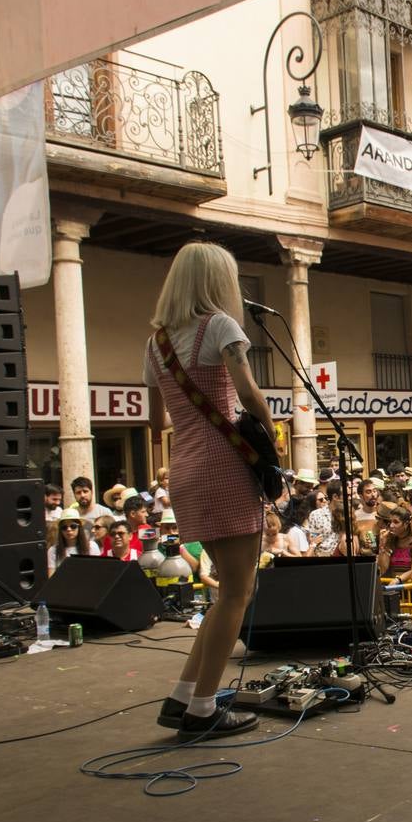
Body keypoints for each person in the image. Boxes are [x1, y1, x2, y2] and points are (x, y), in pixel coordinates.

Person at [143, 243, 272, 738]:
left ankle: (181, 697)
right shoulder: (219, 325)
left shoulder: (155, 343)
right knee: (239, 591)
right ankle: (202, 709)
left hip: (186, 469)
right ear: (219, 280)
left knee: (226, 592)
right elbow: (245, 391)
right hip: (223, 466)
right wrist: (270, 430)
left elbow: (157, 422)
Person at [376, 505, 412, 581]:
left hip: (407, 586)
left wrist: (398, 580)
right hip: (391, 586)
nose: (391, 525)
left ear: (406, 524)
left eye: (396, 522)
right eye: (390, 522)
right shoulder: (390, 540)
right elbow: (383, 569)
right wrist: (382, 545)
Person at [48, 508, 99, 574]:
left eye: (73, 526)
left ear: (79, 527)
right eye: (64, 527)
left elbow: (97, 572)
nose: (69, 530)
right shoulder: (53, 550)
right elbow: (51, 577)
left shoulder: (92, 546)